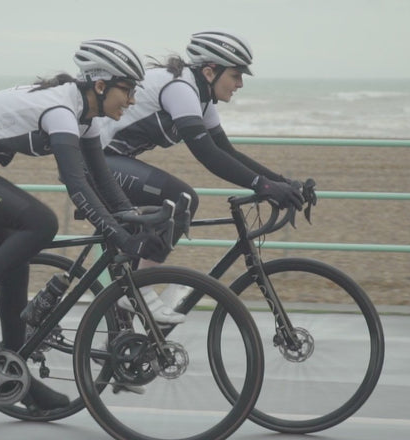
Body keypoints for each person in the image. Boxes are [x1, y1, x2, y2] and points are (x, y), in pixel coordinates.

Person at [0, 39, 168, 414]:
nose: (131, 101)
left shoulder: (84, 117)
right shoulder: (61, 111)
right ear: (100, 85)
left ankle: (16, 375)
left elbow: (103, 180)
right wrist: (116, 234)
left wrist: (132, 221)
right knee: (41, 221)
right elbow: (76, 184)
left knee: (16, 261)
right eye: (127, 90)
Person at [98, 30, 309, 313]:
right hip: (95, 162)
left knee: (153, 226)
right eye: (236, 75)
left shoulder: (201, 97)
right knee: (181, 199)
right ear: (210, 71)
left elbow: (227, 151)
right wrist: (263, 186)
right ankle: (141, 288)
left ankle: (122, 323)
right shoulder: (180, 88)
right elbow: (207, 155)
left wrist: (280, 182)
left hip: (112, 160)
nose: (240, 84)